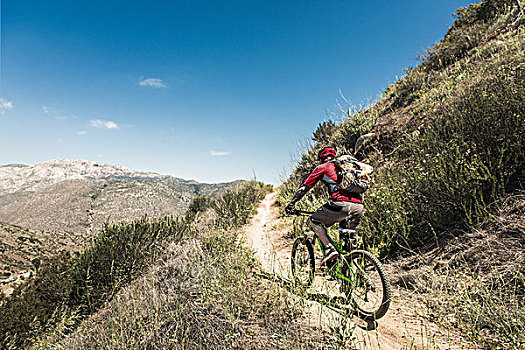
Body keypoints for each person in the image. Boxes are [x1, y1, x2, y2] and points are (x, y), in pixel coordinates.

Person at [285, 146, 364, 265]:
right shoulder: (346, 168)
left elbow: (304, 188)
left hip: (340, 204)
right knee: (349, 247)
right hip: (358, 206)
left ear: (321, 158)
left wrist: (292, 203)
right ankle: (354, 279)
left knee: (315, 221)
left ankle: (329, 249)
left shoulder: (323, 167)